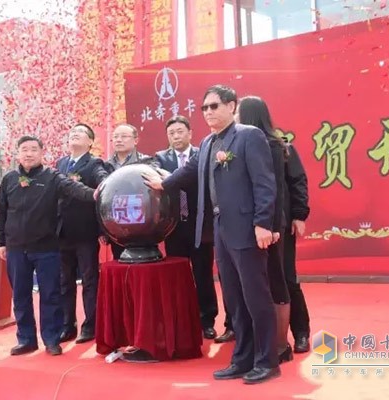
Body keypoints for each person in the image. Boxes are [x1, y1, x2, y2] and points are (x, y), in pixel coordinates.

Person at [144, 85, 280, 384]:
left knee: (255, 296)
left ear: (232, 106)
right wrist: (162, 184)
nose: (208, 112)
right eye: (204, 108)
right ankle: (242, 358)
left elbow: (264, 183)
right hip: (219, 229)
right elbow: (188, 172)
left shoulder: (248, 136)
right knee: (234, 298)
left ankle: (268, 360)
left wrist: (263, 223)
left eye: (214, 106)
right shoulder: (207, 143)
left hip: (247, 228)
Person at [0, 135, 96, 357]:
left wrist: (95, 194)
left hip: (46, 248)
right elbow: (1, 211)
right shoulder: (9, 179)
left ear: (42, 153)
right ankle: (26, 340)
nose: (29, 153)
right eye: (24, 149)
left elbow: (74, 188)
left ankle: (51, 339)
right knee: (20, 295)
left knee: (51, 295)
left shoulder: (52, 177)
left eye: (34, 149)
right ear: (17, 153)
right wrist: (1, 242)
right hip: (15, 247)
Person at [236, 95, 293, 362]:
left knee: (275, 280)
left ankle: (280, 345)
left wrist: (270, 225)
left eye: (237, 111)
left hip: (269, 224)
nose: (234, 116)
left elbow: (275, 188)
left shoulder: (271, 145)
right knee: (260, 281)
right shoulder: (243, 142)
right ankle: (264, 342)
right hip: (253, 222)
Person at [154, 115, 218, 340]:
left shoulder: (202, 154)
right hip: (174, 227)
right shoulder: (160, 159)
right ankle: (182, 320)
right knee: (178, 276)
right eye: (171, 133)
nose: (176, 136)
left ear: (190, 133)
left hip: (200, 225)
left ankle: (207, 320)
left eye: (180, 131)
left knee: (203, 274)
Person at [56, 124, 108, 344]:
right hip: (61, 231)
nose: (74, 134)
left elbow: (102, 180)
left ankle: (91, 325)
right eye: (72, 133)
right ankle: (68, 325)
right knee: (64, 281)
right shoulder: (61, 163)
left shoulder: (94, 163)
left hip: (84, 231)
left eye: (80, 133)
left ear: (90, 142)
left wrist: (105, 182)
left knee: (89, 280)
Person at [106, 123, 153, 260]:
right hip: (116, 221)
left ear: (136, 140)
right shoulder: (105, 165)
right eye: (115, 137)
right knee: (119, 259)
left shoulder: (147, 162)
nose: (119, 140)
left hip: (140, 217)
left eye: (124, 136)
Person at [282, 137, 311, 353]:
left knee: (287, 279)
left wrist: (299, 214)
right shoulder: (238, 145)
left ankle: (301, 332)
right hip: (249, 226)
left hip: (281, 224)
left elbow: (298, 181)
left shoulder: (283, 148)